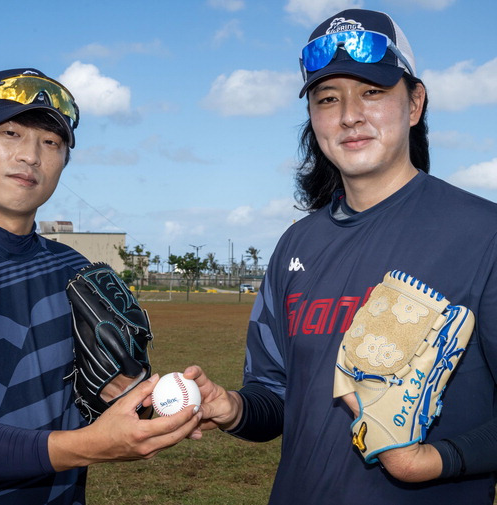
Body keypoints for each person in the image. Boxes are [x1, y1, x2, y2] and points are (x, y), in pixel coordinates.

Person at [185, 8, 497, 504]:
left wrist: (434, 461)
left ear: (414, 103)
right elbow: (278, 396)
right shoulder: (296, 244)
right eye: (328, 98)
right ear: (312, 116)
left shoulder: (483, 234)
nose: (350, 114)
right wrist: (233, 408)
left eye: (372, 92)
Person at [0, 68, 202, 505]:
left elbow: (103, 398)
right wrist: (88, 445)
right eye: (10, 133)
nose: (30, 157)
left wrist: (139, 394)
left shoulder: (75, 271)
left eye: (50, 143)